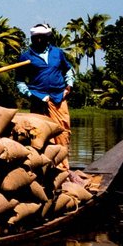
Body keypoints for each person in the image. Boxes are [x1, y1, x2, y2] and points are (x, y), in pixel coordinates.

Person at [17, 22, 74, 153]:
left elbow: (68, 70)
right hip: (38, 99)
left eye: (42, 37)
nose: (38, 40)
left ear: (48, 37)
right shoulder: (26, 57)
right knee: (39, 134)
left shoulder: (58, 53)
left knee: (63, 131)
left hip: (59, 97)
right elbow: (20, 81)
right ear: (31, 39)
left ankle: (63, 165)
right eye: (35, 37)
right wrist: (30, 95)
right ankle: (45, 165)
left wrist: (69, 86)